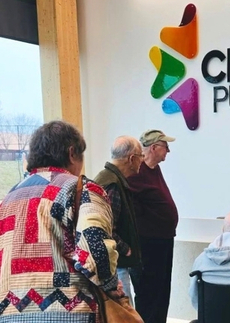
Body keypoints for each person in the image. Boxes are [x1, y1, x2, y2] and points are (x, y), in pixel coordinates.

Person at [0, 120, 122, 322]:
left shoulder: (8, 198)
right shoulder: (81, 190)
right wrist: (112, 287)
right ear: (72, 153)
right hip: (69, 313)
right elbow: (97, 253)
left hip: (9, 313)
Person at [127, 129, 178, 323]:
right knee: (149, 291)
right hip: (148, 242)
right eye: (166, 146)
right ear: (154, 147)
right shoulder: (136, 171)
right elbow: (131, 206)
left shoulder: (154, 169)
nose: (168, 151)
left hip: (163, 239)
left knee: (162, 289)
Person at [94, 136, 144, 306]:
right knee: (124, 311)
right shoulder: (112, 184)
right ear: (132, 159)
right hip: (116, 264)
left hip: (116, 262)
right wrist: (126, 249)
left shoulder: (109, 178)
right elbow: (106, 228)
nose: (142, 161)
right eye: (141, 156)